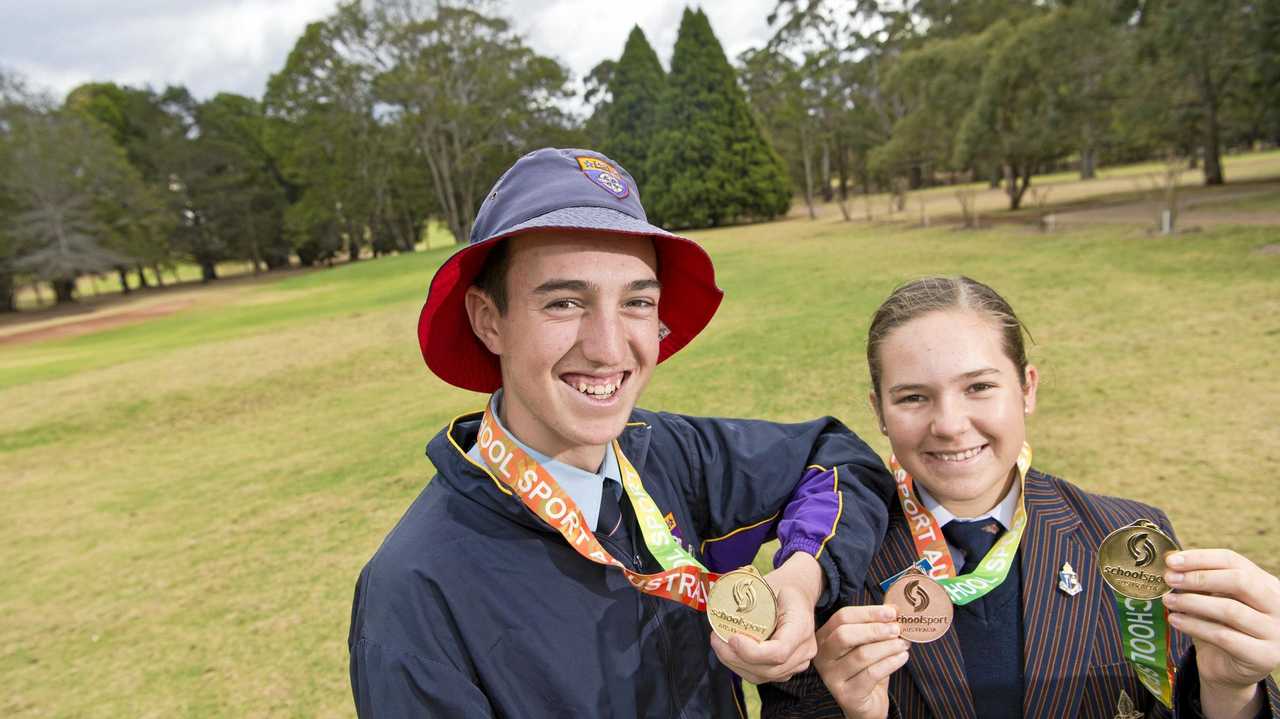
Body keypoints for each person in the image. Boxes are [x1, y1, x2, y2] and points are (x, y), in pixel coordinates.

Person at [347, 148, 895, 717]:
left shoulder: (673, 454)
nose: (609, 349)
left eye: (636, 301)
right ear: (489, 320)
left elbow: (837, 459)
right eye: (564, 302)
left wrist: (803, 577)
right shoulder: (413, 595)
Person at [761, 276, 1280, 719]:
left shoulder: (1129, 539)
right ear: (879, 409)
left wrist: (1230, 691)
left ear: (1027, 388)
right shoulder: (826, 573)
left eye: (980, 387)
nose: (949, 424)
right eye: (913, 397)